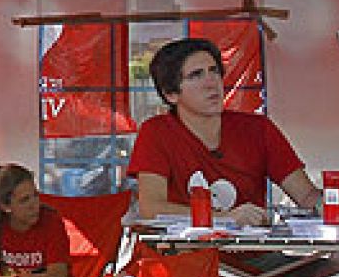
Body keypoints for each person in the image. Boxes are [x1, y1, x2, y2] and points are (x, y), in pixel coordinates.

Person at [128, 37, 321, 224]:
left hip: (253, 246)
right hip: (182, 246)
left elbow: (306, 196)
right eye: (196, 75)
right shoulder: (156, 131)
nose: (211, 82)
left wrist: (329, 202)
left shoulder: (258, 128)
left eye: (214, 71)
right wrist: (225, 218)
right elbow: (151, 209)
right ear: (170, 94)